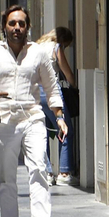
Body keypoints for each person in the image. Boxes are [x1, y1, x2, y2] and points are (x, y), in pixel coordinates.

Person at [0, 5, 66, 217]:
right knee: (6, 176)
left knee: (38, 167)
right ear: (4, 27)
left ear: (28, 27)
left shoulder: (37, 53)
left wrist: (59, 116)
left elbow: (50, 86)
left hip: (32, 117)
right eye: (12, 23)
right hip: (4, 120)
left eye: (21, 23)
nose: (17, 28)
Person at [35, 26, 77, 183]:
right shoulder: (56, 47)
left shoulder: (37, 46)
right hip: (51, 91)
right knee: (66, 130)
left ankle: (47, 172)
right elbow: (67, 72)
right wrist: (74, 85)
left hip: (36, 93)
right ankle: (64, 173)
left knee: (42, 133)